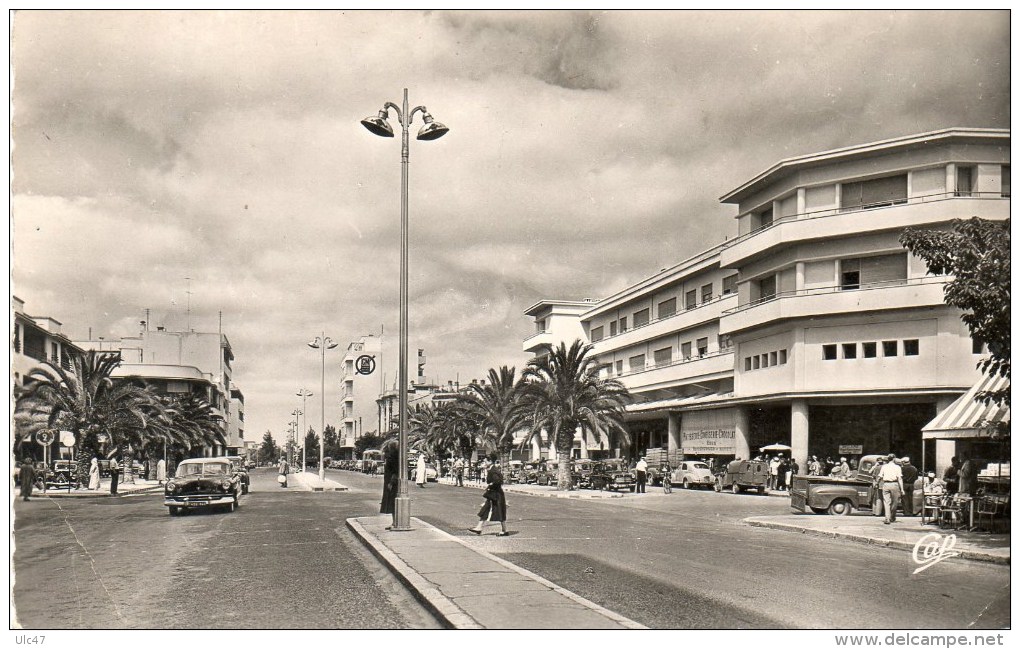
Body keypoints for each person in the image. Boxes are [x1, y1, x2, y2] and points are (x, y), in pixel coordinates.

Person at [469, 453, 509, 536]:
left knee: (499, 511)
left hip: (496, 495)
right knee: (486, 509)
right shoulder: (492, 469)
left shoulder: (493, 470)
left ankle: (504, 530)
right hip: (493, 495)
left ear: (490, 461)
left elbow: (498, 481)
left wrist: (491, 484)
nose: (484, 463)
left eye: (486, 462)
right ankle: (479, 528)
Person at [877, 453, 903, 524]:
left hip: (886, 484)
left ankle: (887, 518)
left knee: (886, 502)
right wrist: (902, 489)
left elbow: (880, 476)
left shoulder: (884, 467)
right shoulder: (898, 467)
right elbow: (899, 478)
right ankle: (892, 516)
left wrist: (877, 483)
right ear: (894, 459)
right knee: (895, 502)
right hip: (895, 484)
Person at [380, 443, 399, 529]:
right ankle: (394, 522)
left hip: (392, 483)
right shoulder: (392, 457)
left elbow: (395, 471)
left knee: (393, 502)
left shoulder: (392, 458)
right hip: (390, 482)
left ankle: (395, 522)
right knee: (392, 503)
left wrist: (391, 482)